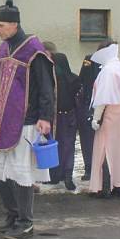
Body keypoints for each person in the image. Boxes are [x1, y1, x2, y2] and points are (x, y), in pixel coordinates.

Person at [0, 1, 55, 239]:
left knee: (21, 173)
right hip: (0, 120)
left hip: (26, 120)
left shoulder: (34, 50)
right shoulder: (3, 49)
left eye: (1, 25)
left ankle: (26, 221)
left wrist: (45, 116)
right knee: (0, 172)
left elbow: (46, 86)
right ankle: (12, 214)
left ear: (14, 24)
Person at [89, 41, 120, 198]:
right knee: (119, 149)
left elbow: (103, 98)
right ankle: (119, 185)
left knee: (104, 150)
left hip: (108, 114)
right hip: (119, 113)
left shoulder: (108, 71)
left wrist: (96, 118)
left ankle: (103, 187)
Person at [43, 41, 81, 190]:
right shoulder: (70, 79)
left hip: (63, 117)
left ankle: (62, 176)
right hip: (62, 117)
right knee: (62, 147)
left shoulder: (66, 80)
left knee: (62, 146)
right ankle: (61, 176)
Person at [77, 51, 102, 181]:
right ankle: (89, 168)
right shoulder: (90, 58)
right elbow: (82, 80)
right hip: (88, 104)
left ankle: (94, 168)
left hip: (97, 105)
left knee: (92, 140)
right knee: (88, 140)